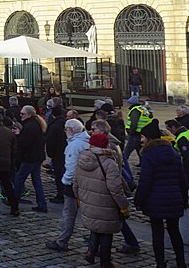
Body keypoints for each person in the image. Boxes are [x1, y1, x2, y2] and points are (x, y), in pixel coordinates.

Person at [135, 119, 188, 268]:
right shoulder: (173, 152)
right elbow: (182, 179)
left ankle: (160, 263)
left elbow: (145, 181)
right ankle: (181, 262)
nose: (141, 140)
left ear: (149, 138)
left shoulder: (148, 154)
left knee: (157, 233)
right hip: (174, 198)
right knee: (174, 231)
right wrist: (184, 199)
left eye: (142, 137)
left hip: (155, 200)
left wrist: (139, 200)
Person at [74, 133, 129, 267]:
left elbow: (75, 183)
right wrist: (124, 206)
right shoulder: (109, 163)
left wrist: (80, 198)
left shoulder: (82, 159)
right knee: (106, 233)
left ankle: (91, 252)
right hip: (106, 203)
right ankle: (105, 262)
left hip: (88, 201)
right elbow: (116, 189)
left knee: (96, 227)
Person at [46, 118, 90, 252]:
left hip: (73, 184)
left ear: (70, 130)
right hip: (85, 182)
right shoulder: (86, 141)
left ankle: (62, 241)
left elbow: (71, 166)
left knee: (69, 213)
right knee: (89, 212)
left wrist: (65, 181)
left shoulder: (74, 145)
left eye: (66, 129)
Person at [12, 105, 47, 213]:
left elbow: (24, 143)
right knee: (36, 180)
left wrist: (18, 135)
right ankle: (42, 204)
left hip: (29, 157)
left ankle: (14, 201)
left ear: (29, 114)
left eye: (22, 114)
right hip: (37, 157)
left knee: (19, 178)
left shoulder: (30, 126)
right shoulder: (36, 124)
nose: (20, 115)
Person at [45, 106, 67, 203]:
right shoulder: (65, 123)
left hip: (58, 154)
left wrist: (50, 154)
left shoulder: (54, 126)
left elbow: (51, 142)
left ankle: (60, 194)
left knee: (58, 174)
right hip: (65, 152)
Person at [122, 95, 152, 166]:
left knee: (128, 150)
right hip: (142, 132)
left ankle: (123, 163)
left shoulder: (135, 110)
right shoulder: (143, 109)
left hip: (135, 133)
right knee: (140, 148)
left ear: (131, 103)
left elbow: (134, 123)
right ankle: (142, 163)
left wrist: (131, 132)